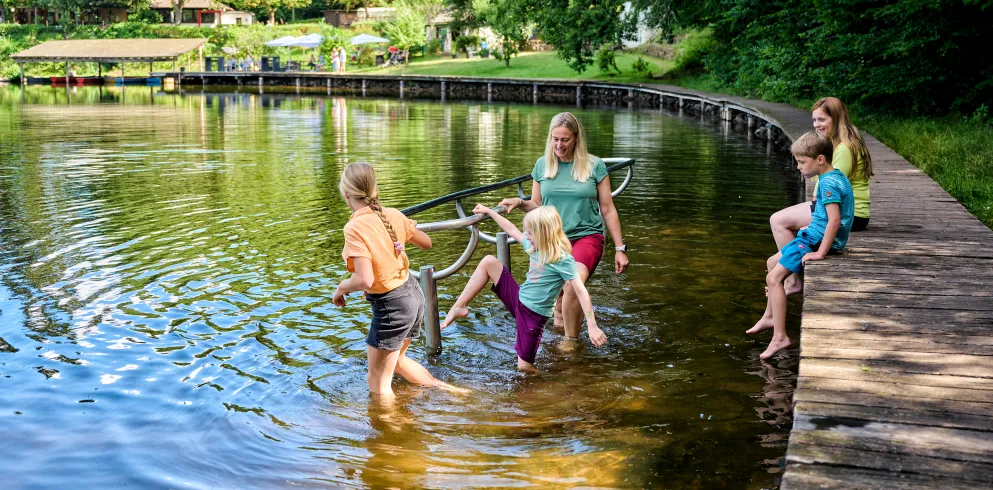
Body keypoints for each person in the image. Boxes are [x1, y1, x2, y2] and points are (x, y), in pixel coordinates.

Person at [333, 162, 467, 399]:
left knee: (378, 383)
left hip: (392, 306)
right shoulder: (392, 214)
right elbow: (426, 243)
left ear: (346, 195)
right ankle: (453, 392)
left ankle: (392, 433)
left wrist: (341, 288)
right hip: (413, 296)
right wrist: (401, 241)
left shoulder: (354, 227)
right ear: (374, 189)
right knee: (398, 360)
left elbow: (365, 279)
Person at [498, 112, 628, 340]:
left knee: (572, 283)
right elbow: (537, 204)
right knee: (558, 302)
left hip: (587, 237)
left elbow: (607, 208)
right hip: (553, 240)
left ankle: (570, 342)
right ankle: (559, 332)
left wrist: (620, 248)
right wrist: (519, 202)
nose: (559, 145)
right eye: (555, 139)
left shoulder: (594, 166)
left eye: (565, 139)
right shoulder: (542, 165)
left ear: (576, 139)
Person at [441, 205, 607, 371]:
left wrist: (592, 325)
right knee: (489, 261)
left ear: (543, 233)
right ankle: (460, 306)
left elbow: (581, 292)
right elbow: (511, 229)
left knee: (524, 367)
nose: (525, 236)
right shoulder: (535, 246)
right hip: (518, 299)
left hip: (533, 317)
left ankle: (548, 387)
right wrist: (490, 212)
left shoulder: (562, 259)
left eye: (529, 232)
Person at [748, 132, 854, 360]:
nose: (798, 167)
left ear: (821, 159)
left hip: (814, 241)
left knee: (773, 279)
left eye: (802, 162)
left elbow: (835, 221)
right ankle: (770, 315)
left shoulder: (828, 184)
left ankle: (780, 337)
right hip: (812, 235)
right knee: (771, 262)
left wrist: (820, 252)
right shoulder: (835, 176)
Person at [769, 97, 873, 295]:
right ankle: (792, 270)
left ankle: (792, 280)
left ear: (836, 118)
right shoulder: (845, 140)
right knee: (795, 223)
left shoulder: (843, 148)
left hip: (851, 213)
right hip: (847, 208)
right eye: (814, 120)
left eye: (822, 120)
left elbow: (831, 189)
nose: (817, 125)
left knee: (778, 220)